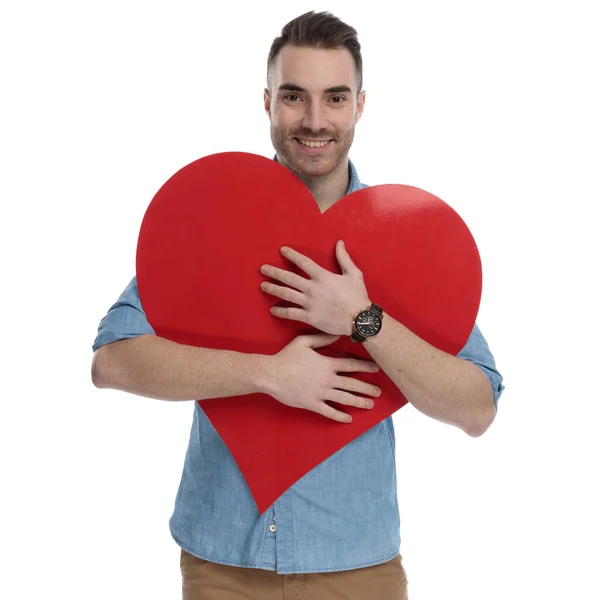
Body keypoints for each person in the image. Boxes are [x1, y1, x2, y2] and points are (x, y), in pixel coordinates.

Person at [91, 10, 504, 600]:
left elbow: (478, 408)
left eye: (335, 98)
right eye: (294, 96)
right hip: (220, 563)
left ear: (360, 105)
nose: (314, 120)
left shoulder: (405, 241)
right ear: (266, 102)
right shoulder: (212, 222)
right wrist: (268, 374)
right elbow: (112, 361)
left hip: (358, 565)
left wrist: (363, 322)